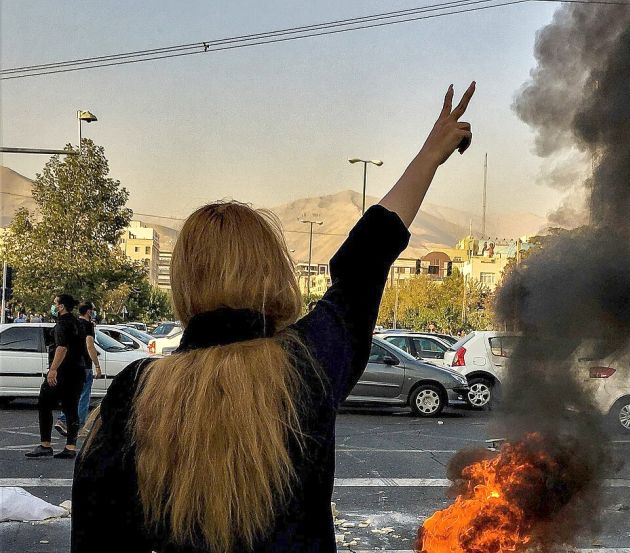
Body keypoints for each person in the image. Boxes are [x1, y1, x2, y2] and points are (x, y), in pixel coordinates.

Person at [72, 82, 475, 552]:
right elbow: (364, 261)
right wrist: (429, 156)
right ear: (272, 272)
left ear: (184, 281)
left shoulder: (134, 393)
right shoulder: (307, 364)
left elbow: (93, 537)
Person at [25, 294, 87, 459]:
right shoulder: (78, 323)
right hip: (78, 371)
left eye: (55, 303)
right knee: (71, 408)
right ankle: (70, 447)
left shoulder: (62, 325)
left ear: (61, 306)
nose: (53, 306)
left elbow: (62, 348)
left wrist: (53, 370)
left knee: (44, 403)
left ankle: (45, 445)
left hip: (63, 372)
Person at [55, 302, 102, 437]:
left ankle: (63, 419)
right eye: (93, 310)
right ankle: (79, 425)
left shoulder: (74, 323)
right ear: (88, 311)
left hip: (71, 364)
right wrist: (97, 365)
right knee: (84, 396)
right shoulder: (88, 326)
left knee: (72, 394)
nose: (93, 312)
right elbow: (89, 345)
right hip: (84, 366)